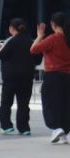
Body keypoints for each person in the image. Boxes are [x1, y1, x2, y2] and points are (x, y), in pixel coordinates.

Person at [32, 12, 70, 143]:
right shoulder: (67, 39)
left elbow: (33, 49)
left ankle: (56, 128)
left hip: (53, 76)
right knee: (65, 104)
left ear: (53, 24)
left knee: (50, 103)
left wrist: (39, 36)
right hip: (67, 76)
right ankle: (65, 132)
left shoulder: (53, 39)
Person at [0, 18, 36, 136]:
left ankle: (6, 126)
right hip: (27, 77)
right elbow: (37, 59)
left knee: (6, 102)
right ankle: (24, 127)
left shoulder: (10, 41)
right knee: (24, 103)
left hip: (10, 77)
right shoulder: (30, 42)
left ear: (11, 28)